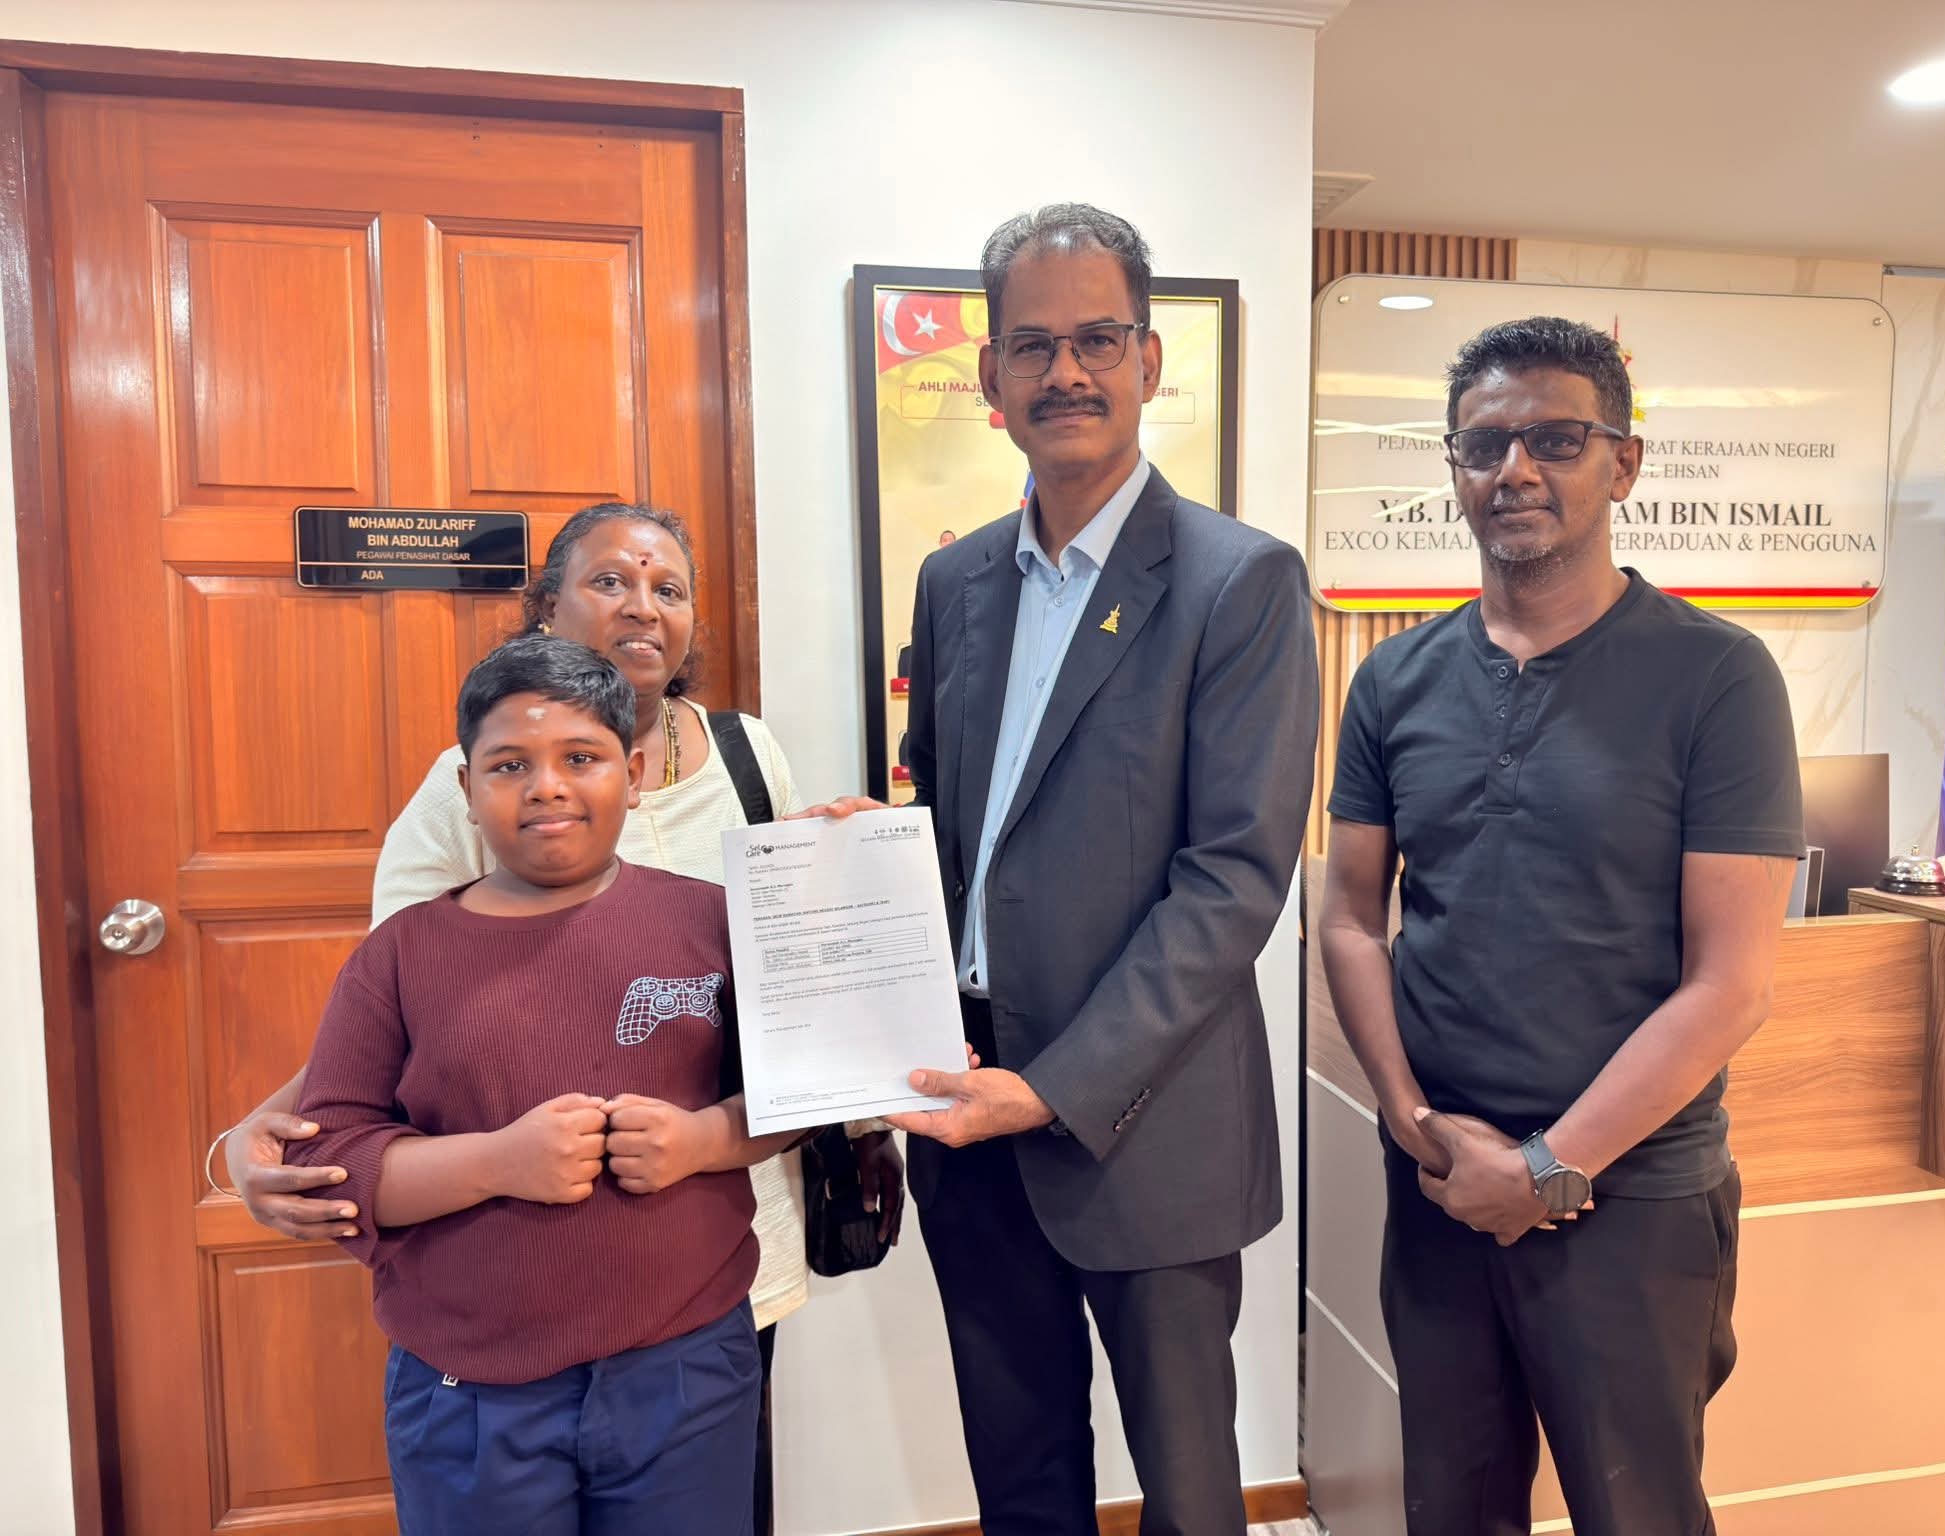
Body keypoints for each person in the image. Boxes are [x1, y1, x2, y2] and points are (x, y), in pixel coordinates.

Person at [218, 502, 903, 1536]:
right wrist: (271, 1128)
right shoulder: (449, 827)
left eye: (668, 589)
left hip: (706, 1257)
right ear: (546, 606)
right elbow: (401, 1014)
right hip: (506, 1302)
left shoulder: (744, 756)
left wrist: (847, 874)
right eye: (609, 581)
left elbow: (792, 1004)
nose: (643, 607)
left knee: (715, 1485)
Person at [802, 204, 1318, 1534]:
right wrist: (875, 855)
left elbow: (1232, 882)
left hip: (1147, 1122)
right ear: (989, 375)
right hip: (964, 1102)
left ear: (1150, 360)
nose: (1065, 372)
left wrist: (1053, 1088)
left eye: (1096, 339)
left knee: (1189, 1493)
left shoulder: (1239, 583)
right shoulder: (956, 581)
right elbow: (957, 821)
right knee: (1018, 1478)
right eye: (1032, 345)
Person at [1318, 315, 1803, 1536]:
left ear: (1621, 463)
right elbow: (1348, 921)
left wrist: (1544, 1171)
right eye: (1483, 445)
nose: (1514, 469)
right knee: (1452, 1511)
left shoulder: (1716, 677)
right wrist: (1415, 1125)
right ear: (1452, 467)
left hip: (1627, 1199)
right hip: (1438, 1184)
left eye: (1554, 439)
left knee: (1636, 1516)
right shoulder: (1392, 681)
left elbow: (1730, 983)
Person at [287, 633, 790, 1532]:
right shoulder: (400, 956)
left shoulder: (712, 921)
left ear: (634, 774)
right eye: (510, 764)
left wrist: (703, 1139)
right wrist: (496, 1163)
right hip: (470, 1393)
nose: (547, 786)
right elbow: (331, 1162)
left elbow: (801, 1092)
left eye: (581, 758)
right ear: (466, 787)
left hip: (686, 1368)